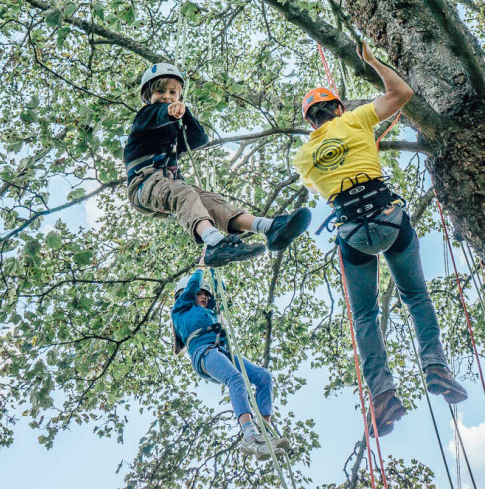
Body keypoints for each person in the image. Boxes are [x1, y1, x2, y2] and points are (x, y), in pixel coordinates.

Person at [293, 43, 467, 437]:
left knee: (366, 316)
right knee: (416, 296)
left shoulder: (303, 156)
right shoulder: (354, 121)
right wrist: (372, 61)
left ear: (310, 122)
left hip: (353, 234)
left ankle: (383, 395)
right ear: (337, 108)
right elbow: (401, 95)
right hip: (390, 219)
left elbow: (321, 178)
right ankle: (436, 366)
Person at [124, 63, 311, 267]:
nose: (166, 96)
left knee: (212, 201)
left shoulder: (173, 133)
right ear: (147, 97)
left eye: (172, 93)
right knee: (184, 194)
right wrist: (169, 110)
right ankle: (214, 243)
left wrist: (184, 114)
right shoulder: (144, 117)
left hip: (167, 184)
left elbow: (199, 138)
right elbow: (157, 114)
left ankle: (269, 227)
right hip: (144, 184)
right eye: (160, 92)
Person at [171, 251, 290, 460]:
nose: (204, 297)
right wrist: (202, 265)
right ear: (185, 295)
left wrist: (216, 267)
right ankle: (249, 434)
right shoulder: (180, 310)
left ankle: (264, 430)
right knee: (236, 379)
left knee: (264, 377)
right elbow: (191, 288)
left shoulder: (209, 310)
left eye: (206, 295)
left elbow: (220, 293)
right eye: (201, 294)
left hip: (222, 351)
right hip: (203, 353)